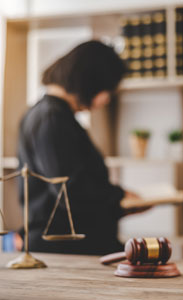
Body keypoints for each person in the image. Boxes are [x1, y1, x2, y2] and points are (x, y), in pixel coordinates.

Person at [17, 40, 145, 255]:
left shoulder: (49, 115)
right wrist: (119, 199)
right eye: (108, 90)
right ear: (91, 81)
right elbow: (71, 192)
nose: (106, 99)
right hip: (66, 250)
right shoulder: (52, 119)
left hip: (69, 245)